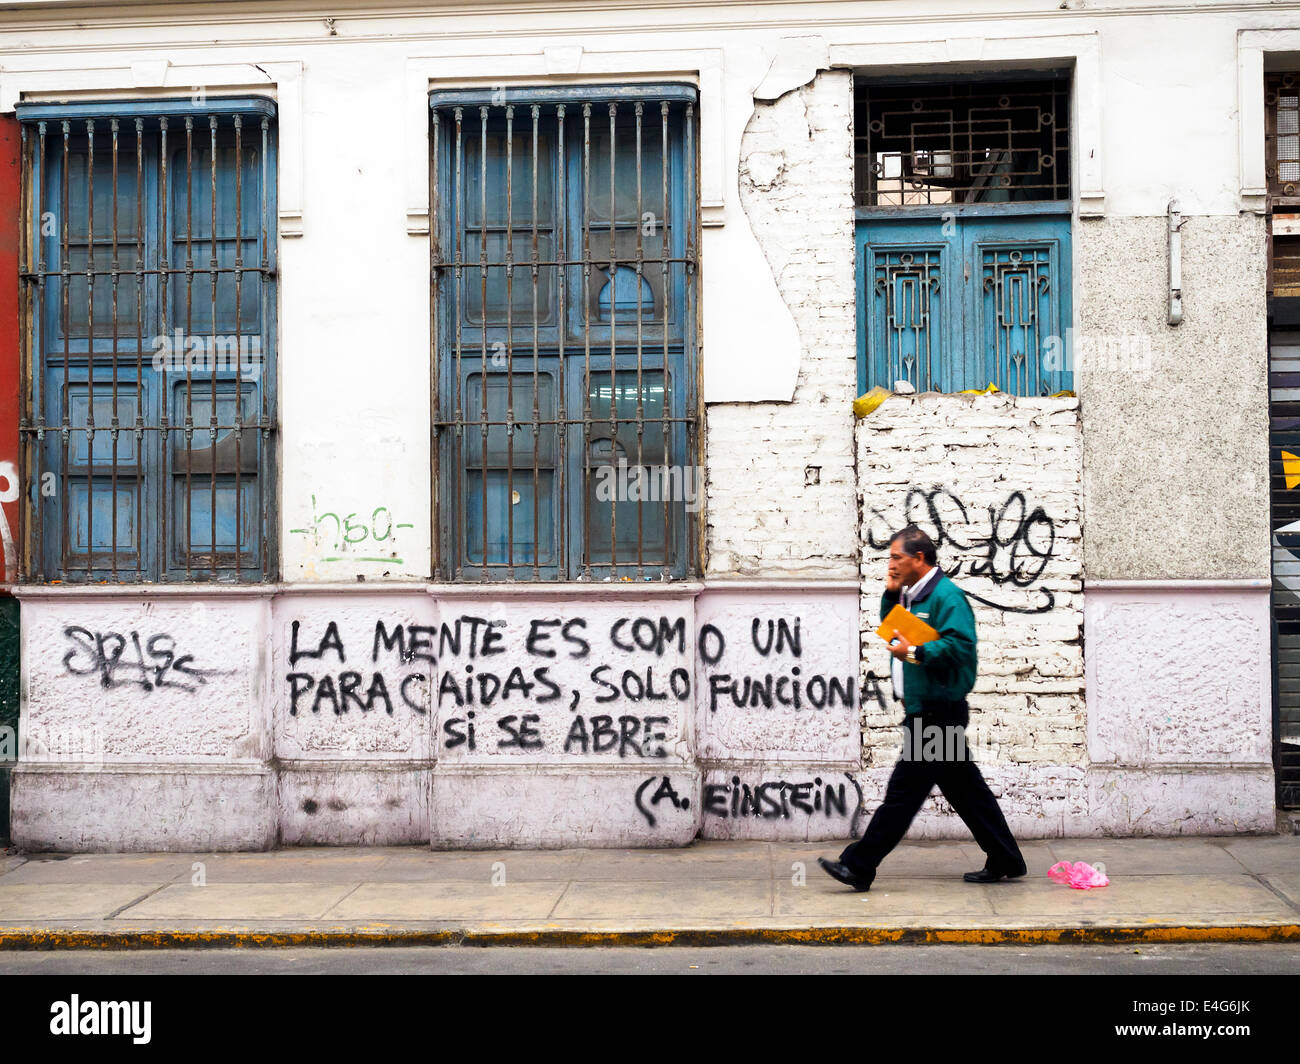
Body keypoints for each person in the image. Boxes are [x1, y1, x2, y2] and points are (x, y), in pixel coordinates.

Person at [818, 524, 1027, 891]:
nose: (891, 563)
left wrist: (914, 652)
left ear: (919, 558)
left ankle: (859, 865)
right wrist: (890, 593)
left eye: (897, 557)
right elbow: (892, 627)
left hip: (937, 714)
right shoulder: (913, 596)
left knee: (903, 795)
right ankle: (1006, 858)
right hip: (926, 710)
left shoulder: (946, 597)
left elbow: (961, 647)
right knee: (966, 791)